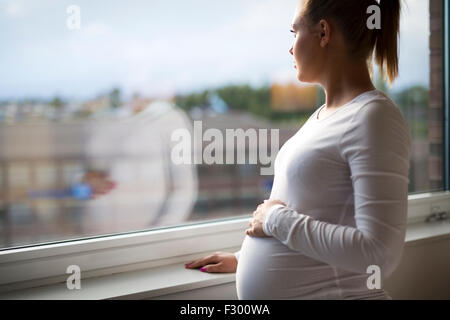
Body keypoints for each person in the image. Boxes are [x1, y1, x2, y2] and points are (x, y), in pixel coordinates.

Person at [185, 0, 411, 300]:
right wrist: (243, 258)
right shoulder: (325, 115)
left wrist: (275, 220)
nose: (290, 48)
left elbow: (378, 254)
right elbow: (316, 209)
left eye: (294, 32)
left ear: (323, 32)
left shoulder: (374, 118)